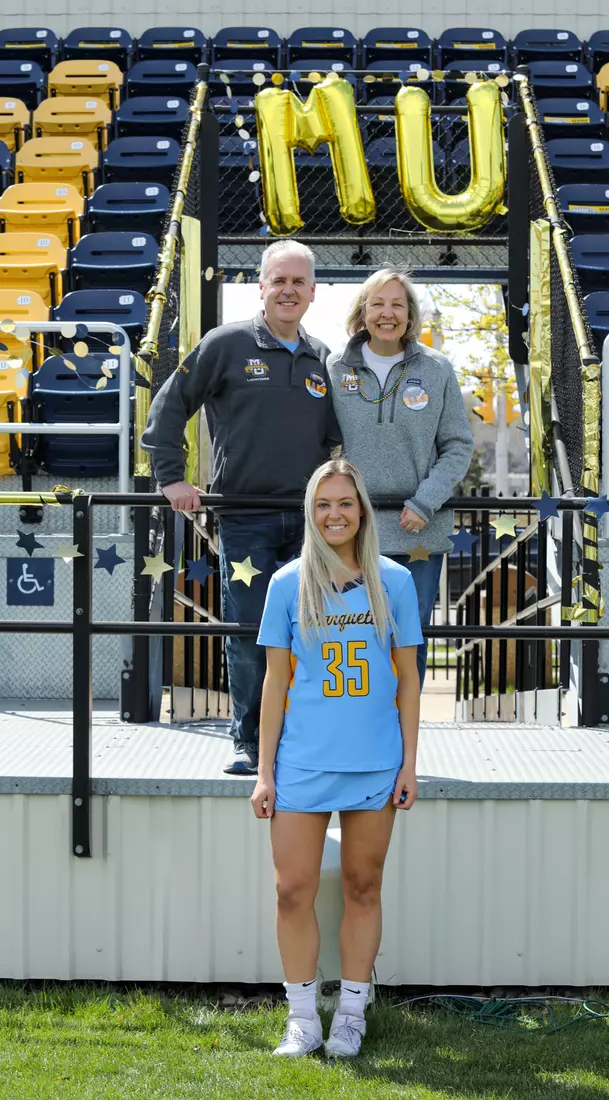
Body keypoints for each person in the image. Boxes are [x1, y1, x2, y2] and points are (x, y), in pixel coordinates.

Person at [141, 240, 341, 776]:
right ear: (261, 286)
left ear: (313, 292)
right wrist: (172, 478)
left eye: (299, 282)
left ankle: (301, 738)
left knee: (313, 634)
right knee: (251, 633)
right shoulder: (225, 344)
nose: (288, 290)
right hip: (245, 519)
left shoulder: (326, 358)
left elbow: (345, 442)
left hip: (312, 525)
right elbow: (169, 405)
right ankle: (248, 741)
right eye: (279, 280)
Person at [251, 457, 422, 1059]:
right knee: (292, 889)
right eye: (324, 504)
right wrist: (265, 770)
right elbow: (274, 684)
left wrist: (409, 764)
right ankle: (302, 1019)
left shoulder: (393, 581)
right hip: (303, 763)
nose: (335, 514)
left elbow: (408, 680)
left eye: (345, 503)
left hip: (375, 762)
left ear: (362, 511)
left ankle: (351, 1013)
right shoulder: (285, 583)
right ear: (310, 512)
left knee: (363, 885)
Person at [326, 267, 473, 688]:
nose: (387, 314)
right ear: (362, 312)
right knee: (352, 636)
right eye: (377, 303)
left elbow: (458, 445)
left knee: (408, 640)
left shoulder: (437, 368)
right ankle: (361, 732)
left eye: (397, 304)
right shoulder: (334, 368)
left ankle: (404, 740)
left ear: (410, 315)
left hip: (418, 531)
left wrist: (425, 501)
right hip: (352, 531)